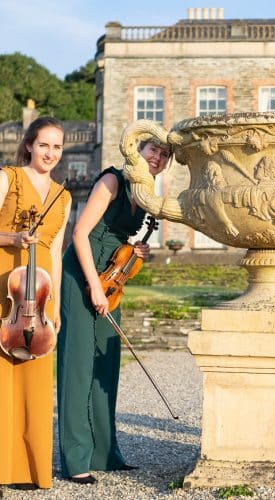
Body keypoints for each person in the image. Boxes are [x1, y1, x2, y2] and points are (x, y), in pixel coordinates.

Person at [56, 138, 170, 485]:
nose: (158, 157)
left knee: (105, 363)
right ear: (138, 150)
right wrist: (92, 285)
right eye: (153, 150)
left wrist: (136, 251)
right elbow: (79, 233)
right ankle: (75, 458)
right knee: (77, 365)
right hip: (82, 274)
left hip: (110, 281)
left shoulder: (144, 193)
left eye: (164, 155)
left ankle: (105, 453)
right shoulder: (112, 181)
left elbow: (118, 241)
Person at [0, 117, 71, 490]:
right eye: (44, 145)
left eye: (57, 147)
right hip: (5, 285)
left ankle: (28, 469)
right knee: (1, 377)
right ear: (29, 145)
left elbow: (56, 253)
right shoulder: (7, 177)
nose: (50, 153)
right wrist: (13, 236)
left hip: (39, 294)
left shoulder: (63, 195)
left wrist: (54, 304)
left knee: (34, 378)